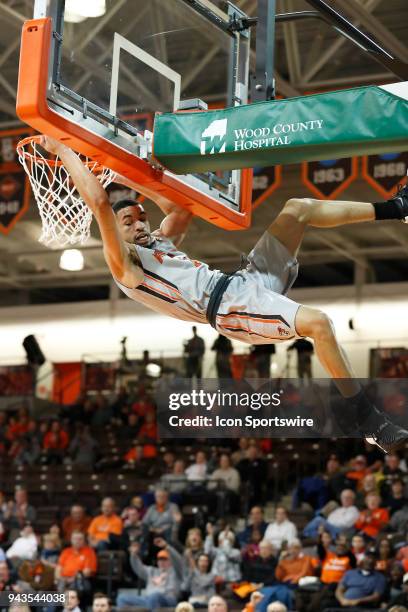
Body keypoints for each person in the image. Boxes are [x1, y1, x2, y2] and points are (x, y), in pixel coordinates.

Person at [39, 135, 408, 452]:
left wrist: (126, 172)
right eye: (129, 221)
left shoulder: (160, 241)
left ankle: (398, 207)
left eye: (141, 216)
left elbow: (178, 208)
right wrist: (66, 149)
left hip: (243, 282)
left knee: (298, 209)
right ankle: (367, 419)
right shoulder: (127, 268)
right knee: (319, 323)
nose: (138, 223)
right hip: (230, 309)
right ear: (114, 234)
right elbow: (101, 204)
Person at [116, 539, 183, 611]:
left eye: (165, 559)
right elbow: (138, 568)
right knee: (122, 598)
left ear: (171, 560)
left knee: (154, 596)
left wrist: (167, 547)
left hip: (168, 599)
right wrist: (133, 554)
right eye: (160, 559)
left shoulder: (175, 571)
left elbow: (178, 561)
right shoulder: (152, 571)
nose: (162, 561)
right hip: (148, 599)